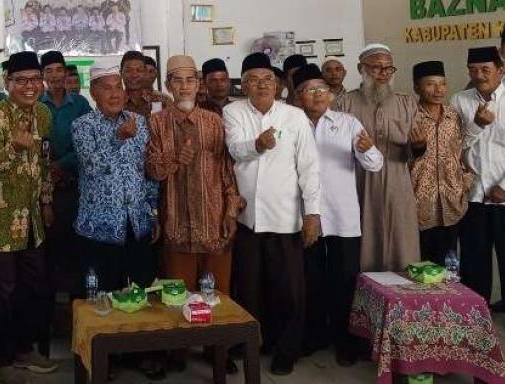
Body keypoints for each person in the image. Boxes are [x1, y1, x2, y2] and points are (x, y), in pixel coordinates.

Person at [223, 52, 321, 376]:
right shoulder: (233, 112)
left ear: (278, 85)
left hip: (285, 217)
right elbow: (235, 149)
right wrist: (258, 144)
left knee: (289, 290)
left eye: (268, 80)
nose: (262, 85)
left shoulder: (294, 116)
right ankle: (253, 343)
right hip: (248, 219)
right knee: (249, 289)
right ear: (244, 85)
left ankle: (286, 350)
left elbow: (309, 168)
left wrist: (312, 214)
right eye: (254, 80)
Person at [0, 51, 57, 384]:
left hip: (32, 218)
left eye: (35, 79)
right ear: (7, 83)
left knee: (31, 288)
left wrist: (47, 200)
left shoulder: (43, 114)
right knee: (0, 294)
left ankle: (24, 350)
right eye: (21, 80)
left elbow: (45, 161)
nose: (29, 86)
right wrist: (14, 148)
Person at [292, 64, 383, 366]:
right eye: (310, 90)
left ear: (330, 94)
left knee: (345, 280)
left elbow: (375, 164)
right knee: (311, 279)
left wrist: (368, 149)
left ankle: (346, 342)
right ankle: (314, 336)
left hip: (342, 215)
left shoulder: (348, 122)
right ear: (298, 96)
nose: (318, 94)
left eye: (322, 89)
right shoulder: (292, 124)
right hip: (304, 215)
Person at [146, 55, 241, 295]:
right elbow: (151, 171)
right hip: (175, 226)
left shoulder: (214, 122)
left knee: (217, 300)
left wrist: (231, 212)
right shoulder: (156, 123)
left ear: (198, 84)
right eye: (178, 81)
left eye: (190, 80)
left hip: (213, 225)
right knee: (177, 300)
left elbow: (227, 172)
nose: (185, 86)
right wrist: (175, 159)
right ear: (168, 86)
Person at [333, 43, 419, 272]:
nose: (383, 73)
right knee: (364, 242)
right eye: (376, 68)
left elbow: (416, 151)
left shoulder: (406, 103)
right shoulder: (344, 103)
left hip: (398, 184)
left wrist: (419, 145)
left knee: (402, 244)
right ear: (361, 68)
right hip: (359, 183)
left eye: (389, 68)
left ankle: (401, 294)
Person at [73, 65, 158, 291]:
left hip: (137, 225)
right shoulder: (83, 126)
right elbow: (92, 166)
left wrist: (153, 211)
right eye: (106, 88)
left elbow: (146, 169)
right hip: (98, 229)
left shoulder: (138, 122)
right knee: (102, 298)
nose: (114, 94)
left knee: (140, 296)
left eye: (118, 87)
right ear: (93, 93)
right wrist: (117, 139)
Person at [451, 46, 505, 304]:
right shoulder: (459, 100)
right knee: (474, 261)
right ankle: (477, 312)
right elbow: (453, 146)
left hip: (504, 196)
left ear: (500, 70)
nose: (479, 75)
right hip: (472, 196)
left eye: (486, 69)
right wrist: (477, 125)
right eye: (473, 70)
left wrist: (504, 186)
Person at [39, 51, 91, 295]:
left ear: (65, 71)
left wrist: (61, 165)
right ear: (43, 75)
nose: (54, 75)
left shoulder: (80, 104)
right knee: (48, 251)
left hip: (75, 187)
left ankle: (77, 305)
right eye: (48, 71)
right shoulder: (36, 104)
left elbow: (88, 143)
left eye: (58, 69)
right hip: (44, 190)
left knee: (77, 249)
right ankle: (47, 309)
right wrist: (48, 168)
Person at [409, 61, 470, 267]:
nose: (438, 90)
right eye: (430, 84)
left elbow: (463, 151)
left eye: (442, 84)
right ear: (417, 88)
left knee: (449, 266)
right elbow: (397, 157)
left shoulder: (454, 116)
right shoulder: (409, 117)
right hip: (419, 203)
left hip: (452, 202)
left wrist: (465, 182)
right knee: (421, 266)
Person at [122, 51, 171, 122]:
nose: (134, 75)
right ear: (121, 72)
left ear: (145, 73)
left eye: (139, 70)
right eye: (128, 70)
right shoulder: (114, 102)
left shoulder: (163, 101)